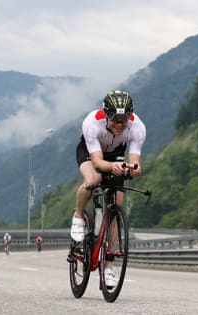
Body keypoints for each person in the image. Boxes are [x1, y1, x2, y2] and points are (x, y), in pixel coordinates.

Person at [72, 90, 146, 287]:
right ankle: (78, 216)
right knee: (93, 179)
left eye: (124, 120)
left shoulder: (137, 127)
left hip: (115, 155)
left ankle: (109, 268)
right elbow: (97, 162)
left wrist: (135, 168)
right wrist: (112, 167)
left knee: (115, 206)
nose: (120, 125)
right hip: (91, 153)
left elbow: (134, 159)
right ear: (106, 115)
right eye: (115, 120)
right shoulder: (91, 123)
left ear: (130, 116)